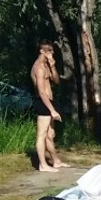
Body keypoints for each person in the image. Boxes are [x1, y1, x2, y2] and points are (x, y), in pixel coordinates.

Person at [30, 41, 67, 173]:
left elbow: (56, 81)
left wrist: (53, 66)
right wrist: (51, 110)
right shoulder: (38, 67)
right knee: (42, 135)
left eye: (52, 50)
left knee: (50, 135)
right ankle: (43, 164)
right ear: (42, 51)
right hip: (43, 102)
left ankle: (56, 161)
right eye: (49, 50)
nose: (52, 53)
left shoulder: (46, 65)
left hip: (50, 101)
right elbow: (41, 91)